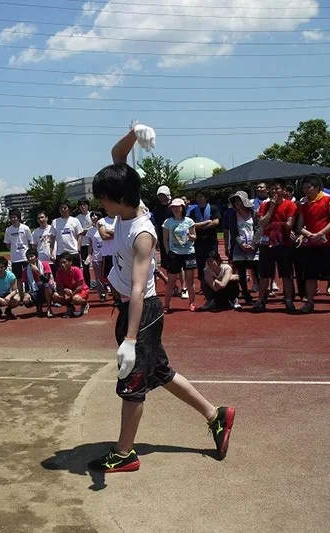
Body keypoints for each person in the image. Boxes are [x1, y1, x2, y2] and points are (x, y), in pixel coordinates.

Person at [87, 124, 234, 474]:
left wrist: (130, 340)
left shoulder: (142, 233)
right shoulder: (128, 207)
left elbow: (139, 288)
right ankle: (216, 415)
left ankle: (125, 453)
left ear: (119, 198)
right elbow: (118, 155)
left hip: (141, 311)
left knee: (132, 384)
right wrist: (133, 133)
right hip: (132, 308)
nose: (101, 203)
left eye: (104, 198)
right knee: (161, 372)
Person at [253, 178, 297, 313]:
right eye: (272, 189)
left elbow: (289, 224)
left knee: (286, 273)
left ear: (284, 190)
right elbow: (262, 223)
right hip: (266, 243)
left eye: (277, 188)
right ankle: (261, 300)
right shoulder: (265, 205)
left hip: (283, 242)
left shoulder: (290, 205)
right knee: (264, 273)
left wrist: (274, 225)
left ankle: (288, 299)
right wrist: (271, 208)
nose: (274, 191)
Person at [296, 175, 330, 314]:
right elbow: (299, 226)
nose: (306, 190)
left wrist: (320, 233)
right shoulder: (303, 205)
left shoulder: (327, 200)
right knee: (309, 275)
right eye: (304, 187)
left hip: (327, 244)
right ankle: (310, 302)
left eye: (309, 187)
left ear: (317, 187)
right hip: (311, 245)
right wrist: (310, 235)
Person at [162, 198, 198, 313]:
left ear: (182, 207)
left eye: (177, 207)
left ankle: (192, 302)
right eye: (173, 207)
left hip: (188, 253)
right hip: (174, 254)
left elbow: (194, 236)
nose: (175, 209)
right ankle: (166, 304)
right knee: (171, 280)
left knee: (189, 280)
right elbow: (165, 239)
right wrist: (168, 252)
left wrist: (191, 236)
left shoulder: (189, 221)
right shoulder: (168, 222)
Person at [227, 191, 260, 305]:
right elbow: (234, 232)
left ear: (244, 201)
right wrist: (241, 244)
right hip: (239, 247)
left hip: (253, 246)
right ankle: (246, 295)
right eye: (235, 201)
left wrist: (254, 244)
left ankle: (262, 295)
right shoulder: (233, 215)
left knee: (257, 271)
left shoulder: (253, 213)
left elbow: (258, 230)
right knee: (241, 272)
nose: (237, 203)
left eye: (239, 200)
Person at [188, 190, 221, 294]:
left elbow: (216, 222)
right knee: (201, 263)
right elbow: (192, 225)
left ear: (206, 198)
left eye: (201, 197)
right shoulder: (193, 211)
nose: (199, 199)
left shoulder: (213, 208)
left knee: (213, 261)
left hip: (211, 241)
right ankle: (203, 286)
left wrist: (201, 226)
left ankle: (216, 282)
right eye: (197, 197)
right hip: (199, 242)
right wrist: (206, 223)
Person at [3, 208, 34, 301]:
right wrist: (13, 250)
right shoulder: (8, 230)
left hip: (25, 257)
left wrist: (29, 253)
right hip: (15, 259)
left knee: (28, 277)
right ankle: (21, 296)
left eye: (15, 217)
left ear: (19, 218)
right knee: (18, 279)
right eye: (11, 217)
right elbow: (7, 244)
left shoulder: (25, 228)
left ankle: (29, 295)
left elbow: (30, 242)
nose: (13, 219)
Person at [50, 201, 84, 277]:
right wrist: (51, 252)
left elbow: (79, 236)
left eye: (65, 208)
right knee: (62, 275)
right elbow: (52, 238)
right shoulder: (55, 222)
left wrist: (78, 248)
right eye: (61, 208)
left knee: (75, 274)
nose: (63, 210)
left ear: (69, 209)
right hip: (60, 253)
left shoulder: (75, 220)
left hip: (73, 252)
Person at [53, 251, 90, 317]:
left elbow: (79, 287)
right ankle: (70, 307)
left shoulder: (77, 270)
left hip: (81, 291)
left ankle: (85, 304)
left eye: (64, 262)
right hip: (68, 292)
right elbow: (59, 287)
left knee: (75, 299)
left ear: (70, 262)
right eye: (61, 263)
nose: (62, 265)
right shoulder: (59, 272)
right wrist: (64, 291)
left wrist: (71, 295)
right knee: (55, 296)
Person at [90, 211, 116, 302]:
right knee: (108, 277)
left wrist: (110, 231)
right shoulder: (102, 222)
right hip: (107, 254)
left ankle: (119, 296)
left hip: (119, 253)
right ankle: (105, 295)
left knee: (120, 276)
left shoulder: (120, 219)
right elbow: (104, 236)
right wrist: (117, 233)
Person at [151, 185, 173, 287]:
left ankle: (183, 286)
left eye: (163, 195)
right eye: (159, 195)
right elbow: (156, 225)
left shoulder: (173, 207)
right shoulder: (157, 210)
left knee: (177, 262)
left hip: (174, 238)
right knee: (167, 263)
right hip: (163, 239)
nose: (161, 197)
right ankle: (171, 284)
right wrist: (157, 239)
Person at [21, 248, 53, 317]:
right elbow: (26, 285)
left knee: (46, 286)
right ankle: (38, 307)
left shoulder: (45, 264)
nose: (30, 259)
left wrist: (37, 271)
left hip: (46, 288)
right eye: (28, 257)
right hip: (34, 289)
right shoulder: (25, 270)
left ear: (36, 257)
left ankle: (49, 308)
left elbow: (46, 280)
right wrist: (26, 294)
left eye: (31, 256)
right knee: (27, 302)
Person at [77, 198, 95, 290]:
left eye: (85, 204)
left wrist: (86, 231)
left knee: (98, 264)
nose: (83, 206)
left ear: (88, 205)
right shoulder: (77, 218)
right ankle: (87, 284)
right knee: (85, 266)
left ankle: (102, 283)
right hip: (84, 244)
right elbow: (78, 232)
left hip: (94, 243)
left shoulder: (93, 215)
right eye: (81, 205)